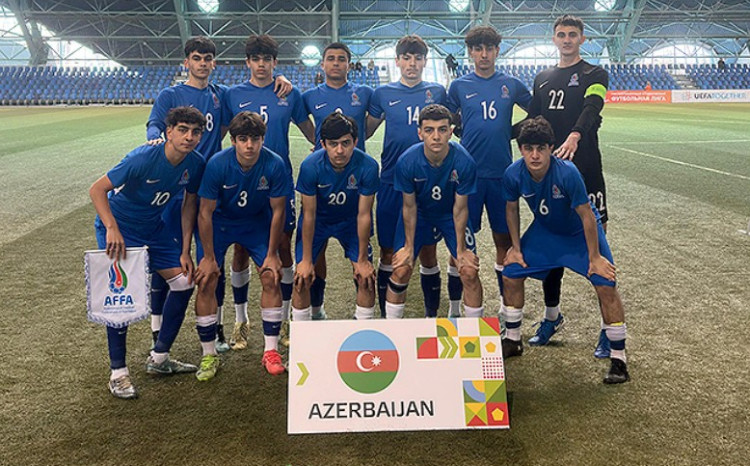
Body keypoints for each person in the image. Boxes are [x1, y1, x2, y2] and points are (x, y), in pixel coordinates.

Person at [147, 36, 292, 353]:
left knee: (213, 262)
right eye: (196, 58)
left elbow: (246, 106)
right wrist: (156, 140)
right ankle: (156, 333)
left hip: (213, 182)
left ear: (214, 63)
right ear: (187, 61)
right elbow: (154, 126)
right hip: (179, 183)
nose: (202, 63)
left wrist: (280, 79)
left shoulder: (221, 95)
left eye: (207, 58)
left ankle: (220, 330)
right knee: (168, 257)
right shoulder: (171, 94)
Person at [500, 116, 629, 384]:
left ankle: (619, 358)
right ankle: (512, 340)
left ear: (551, 148)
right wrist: (516, 248)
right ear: (520, 149)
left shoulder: (567, 172)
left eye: (541, 148)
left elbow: (587, 215)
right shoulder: (513, 173)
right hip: (546, 231)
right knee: (511, 272)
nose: (535, 155)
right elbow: (511, 210)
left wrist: (594, 257)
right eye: (528, 149)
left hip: (578, 234)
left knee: (605, 282)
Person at [89, 106, 207, 399]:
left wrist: (185, 250)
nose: (189, 137)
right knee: (120, 298)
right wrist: (111, 227)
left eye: (195, 132)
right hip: (120, 229)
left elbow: (189, 205)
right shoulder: (142, 157)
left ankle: (159, 358)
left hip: (154, 229)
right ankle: (118, 373)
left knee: (184, 282)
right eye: (182, 130)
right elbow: (97, 190)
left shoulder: (196, 163)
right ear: (169, 132)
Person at [524, 15, 612, 356]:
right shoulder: (543, 78)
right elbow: (531, 121)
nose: (567, 39)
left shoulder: (595, 74)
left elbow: (593, 107)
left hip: (586, 169)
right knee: (552, 243)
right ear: (554, 39)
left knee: (599, 250)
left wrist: (575, 134)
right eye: (561, 34)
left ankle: (608, 329)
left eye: (572, 34)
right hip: (551, 173)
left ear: (582, 39)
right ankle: (552, 317)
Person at [222, 34, 315, 349]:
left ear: (275, 62)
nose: (261, 65)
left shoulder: (289, 93)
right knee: (240, 248)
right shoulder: (233, 95)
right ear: (247, 62)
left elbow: (311, 133)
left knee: (284, 247)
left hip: (279, 180)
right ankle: (241, 321)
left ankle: (286, 320)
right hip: (242, 182)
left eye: (267, 59)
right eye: (256, 59)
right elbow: (220, 135)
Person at [194, 112, 289, 378]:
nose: (249, 145)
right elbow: (204, 213)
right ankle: (209, 354)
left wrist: (272, 254)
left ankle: (271, 351)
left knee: (271, 275)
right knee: (207, 279)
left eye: (255, 139)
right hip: (220, 224)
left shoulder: (274, 163)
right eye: (243, 139)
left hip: (255, 223)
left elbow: (278, 211)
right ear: (233, 140)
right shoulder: (217, 164)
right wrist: (208, 257)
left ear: (262, 139)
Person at [447, 26, 532, 318]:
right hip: (467, 177)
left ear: (497, 51)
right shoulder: (458, 86)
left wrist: (511, 131)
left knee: (503, 241)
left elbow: (535, 111)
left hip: (501, 175)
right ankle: (455, 308)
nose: (484, 55)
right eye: (478, 49)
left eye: (489, 49)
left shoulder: (512, 84)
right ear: (470, 52)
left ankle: (504, 306)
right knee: (458, 243)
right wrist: (462, 130)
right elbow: (447, 119)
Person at [366, 34, 449, 318]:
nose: (412, 63)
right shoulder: (383, 94)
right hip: (391, 181)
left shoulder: (437, 92)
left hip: (429, 183)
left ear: (425, 62)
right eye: (406, 58)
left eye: (418, 58)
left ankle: (431, 316)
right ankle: (385, 317)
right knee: (388, 251)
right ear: (397, 61)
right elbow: (365, 131)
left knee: (428, 251)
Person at [385, 104, 483, 319]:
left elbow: (460, 208)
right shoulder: (407, 161)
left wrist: (461, 250)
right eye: (429, 130)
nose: (436, 136)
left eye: (442, 129)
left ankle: (472, 333)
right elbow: (409, 206)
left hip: (449, 214)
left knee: (468, 270)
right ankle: (392, 331)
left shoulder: (464, 161)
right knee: (401, 269)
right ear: (420, 133)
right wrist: (408, 247)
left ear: (451, 132)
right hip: (420, 214)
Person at [302, 42, 374, 319]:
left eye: (341, 59)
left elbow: (369, 127)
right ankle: (316, 311)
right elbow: (307, 127)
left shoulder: (364, 93)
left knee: (360, 239)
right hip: (323, 176)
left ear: (348, 64)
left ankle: (363, 321)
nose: (335, 63)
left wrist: (350, 144)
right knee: (315, 251)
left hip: (356, 177)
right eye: (330, 58)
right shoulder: (309, 96)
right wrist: (322, 147)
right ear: (322, 64)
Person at [291, 113, 379, 321]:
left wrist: (362, 260)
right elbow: (309, 214)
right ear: (323, 144)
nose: (340, 150)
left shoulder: (368, 166)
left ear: (355, 142)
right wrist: (305, 261)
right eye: (333, 144)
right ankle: (307, 327)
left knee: (366, 277)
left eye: (345, 143)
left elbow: (364, 214)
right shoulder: (310, 166)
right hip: (319, 221)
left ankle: (362, 330)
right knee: (301, 277)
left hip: (351, 221)